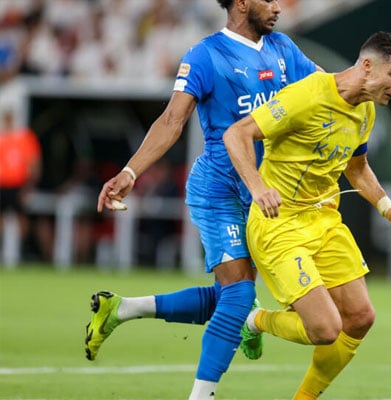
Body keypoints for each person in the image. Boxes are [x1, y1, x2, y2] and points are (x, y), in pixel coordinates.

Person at [86, 1, 321, 399]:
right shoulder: (205, 55)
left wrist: (379, 69)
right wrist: (130, 172)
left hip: (266, 194)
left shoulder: (284, 49)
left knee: (234, 295)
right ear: (243, 3)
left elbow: (328, 88)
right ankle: (201, 395)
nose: (279, 7)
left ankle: (123, 309)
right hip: (220, 190)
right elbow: (171, 121)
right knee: (241, 295)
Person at [223, 31, 391, 399]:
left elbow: (357, 168)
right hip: (278, 223)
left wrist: (387, 207)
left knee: (361, 319)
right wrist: (256, 186)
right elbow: (237, 134)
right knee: (326, 329)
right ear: (366, 65)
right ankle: (253, 320)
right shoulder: (307, 96)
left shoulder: (366, 110)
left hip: (324, 221)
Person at [0, 106, 41, 267]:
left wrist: (29, 186)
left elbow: (34, 163)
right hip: (2, 184)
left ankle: (24, 251)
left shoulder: (25, 137)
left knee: (21, 218)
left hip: (18, 184)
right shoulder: (2, 137)